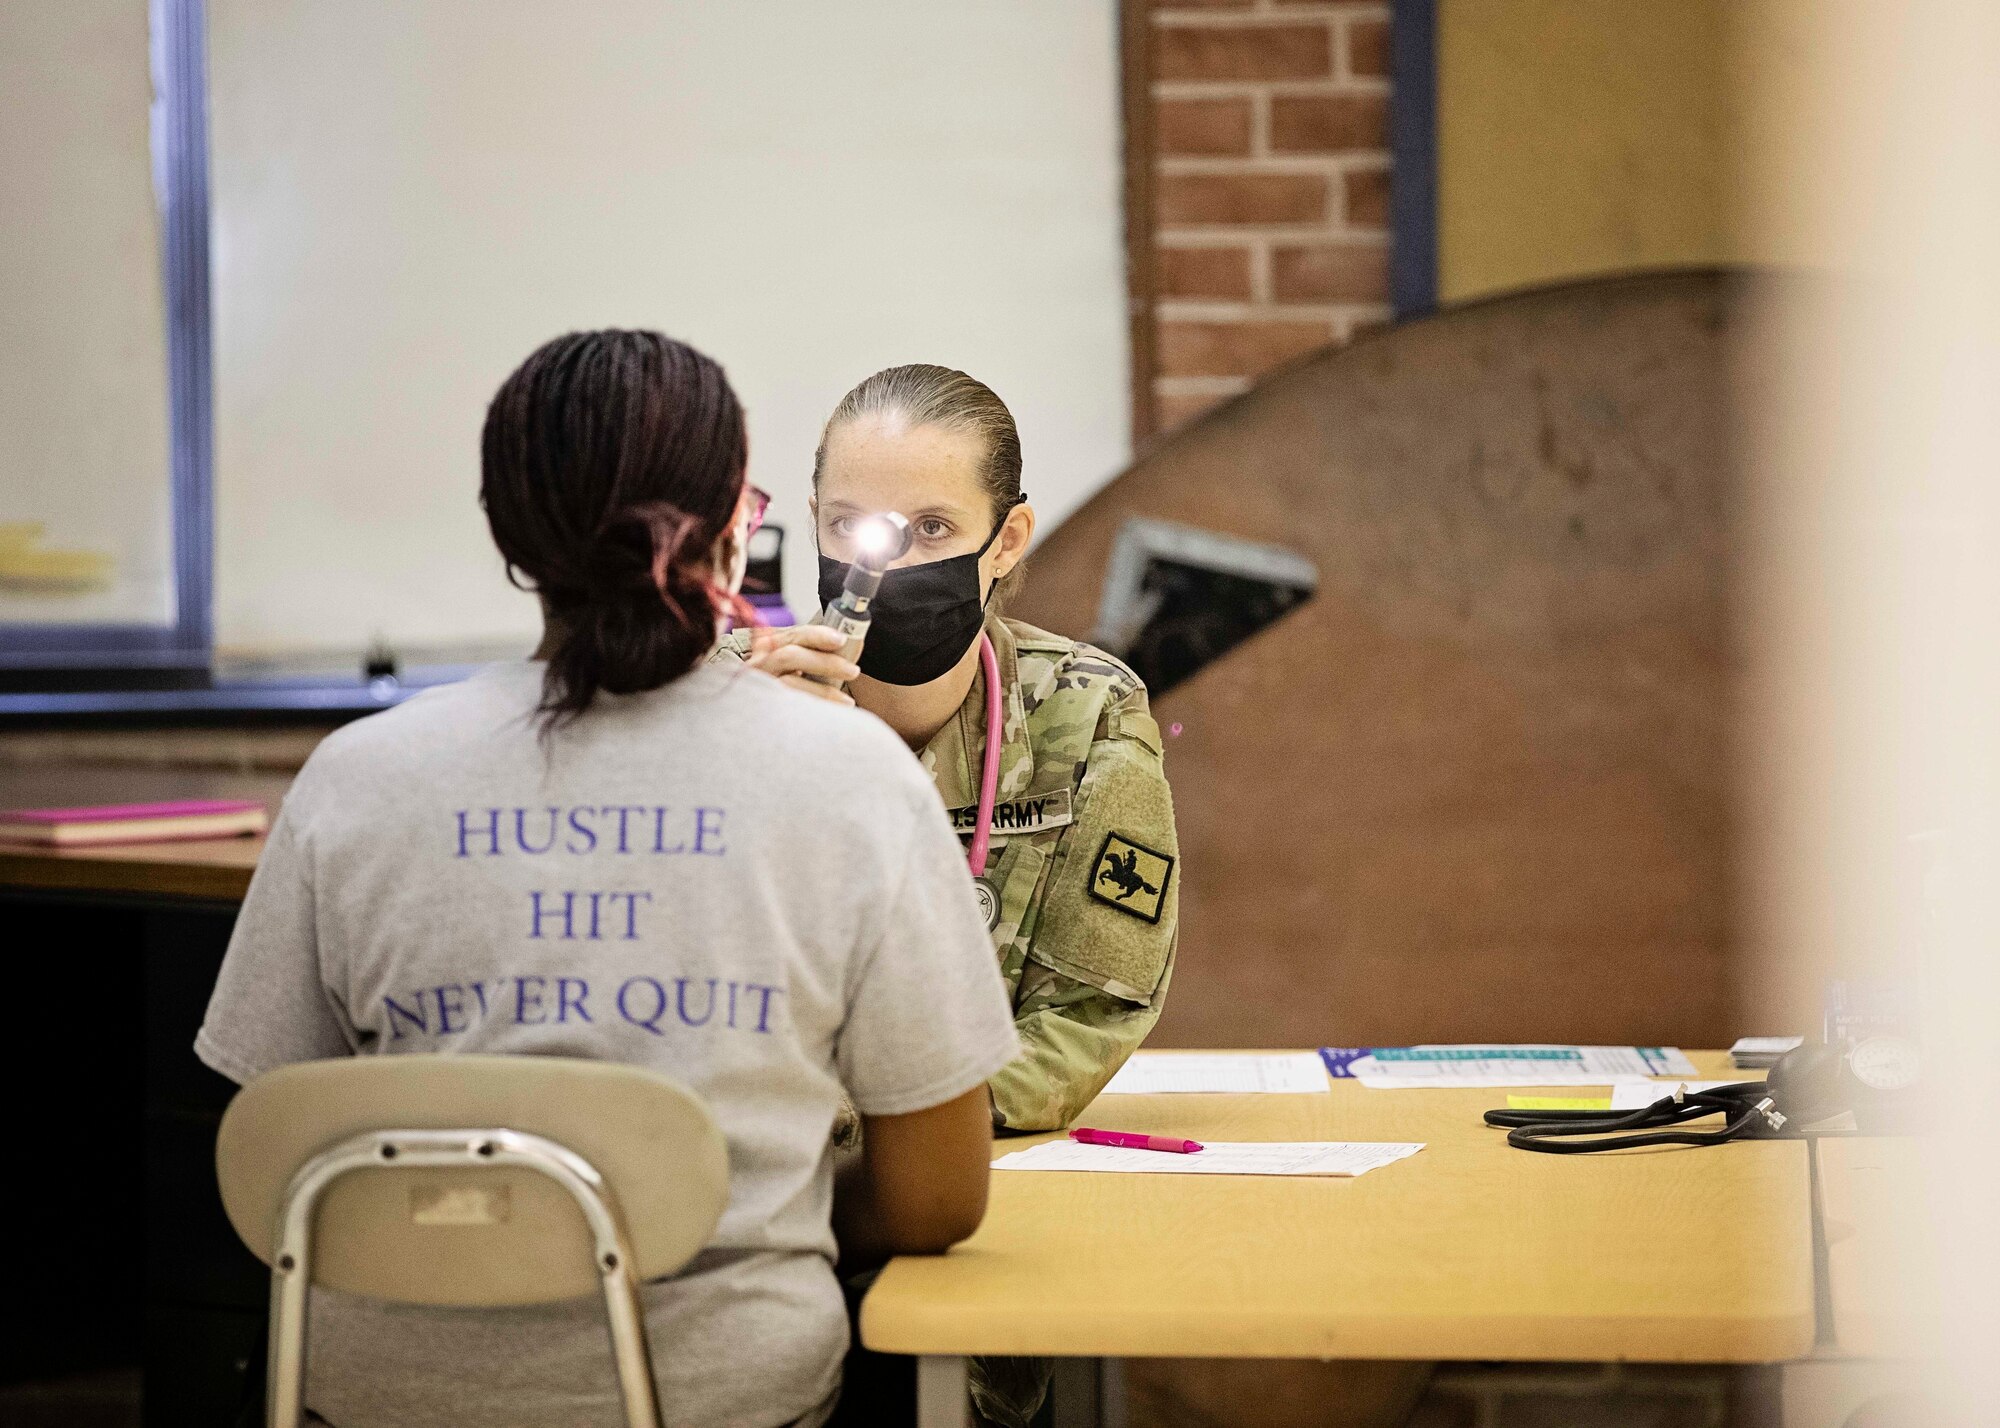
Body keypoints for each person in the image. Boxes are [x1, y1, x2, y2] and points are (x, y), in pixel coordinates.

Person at [195, 331, 1020, 1428]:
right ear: (739, 530)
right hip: (722, 1393)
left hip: (372, 1395)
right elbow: (935, 1200)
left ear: (504, 530)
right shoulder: (852, 778)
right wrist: (723, 1198)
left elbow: (271, 1146)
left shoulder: (357, 778)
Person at [720, 364, 1180, 1427]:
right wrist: (743, 761)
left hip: (971, 1226)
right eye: (853, 524)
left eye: (931, 528)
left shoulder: (1083, 714)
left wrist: (899, 1141)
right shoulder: (715, 703)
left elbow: (1089, 1014)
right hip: (736, 1238)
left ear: (1005, 541)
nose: (885, 559)